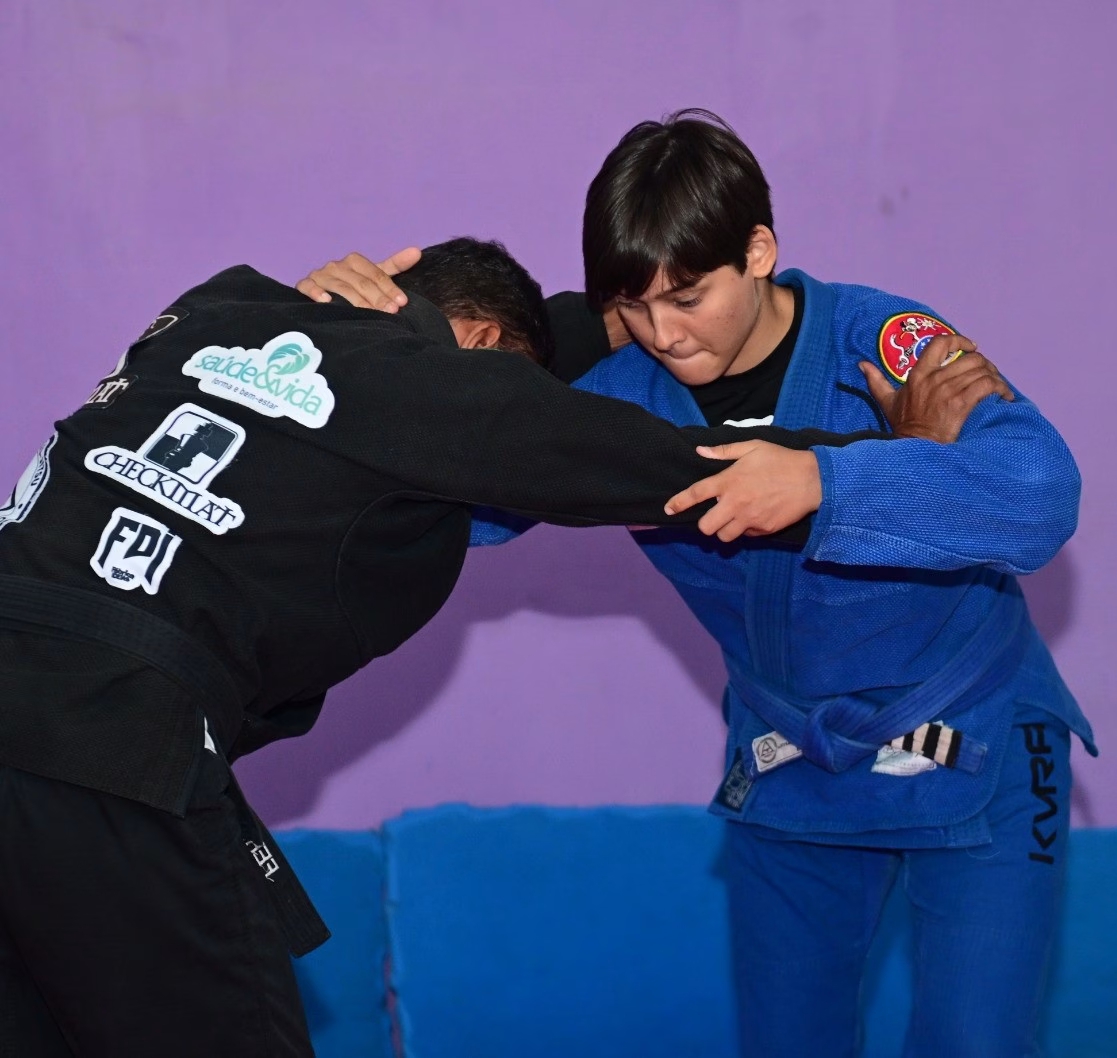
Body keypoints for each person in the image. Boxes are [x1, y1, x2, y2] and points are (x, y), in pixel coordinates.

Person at [303, 112, 1096, 1058]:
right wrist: (332, 356)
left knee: (974, 1043)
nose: (665, 335)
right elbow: (446, 515)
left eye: (687, 297)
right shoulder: (615, 398)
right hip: (790, 755)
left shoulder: (884, 344)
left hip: (976, 738)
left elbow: (1039, 495)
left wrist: (825, 481)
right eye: (634, 308)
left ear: (757, 252)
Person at [0, 236, 895, 1057]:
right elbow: (658, 463)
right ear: (481, 346)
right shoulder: (437, 386)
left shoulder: (219, 302)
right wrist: (893, 461)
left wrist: (626, 311)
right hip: (114, 732)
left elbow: (486, 342)